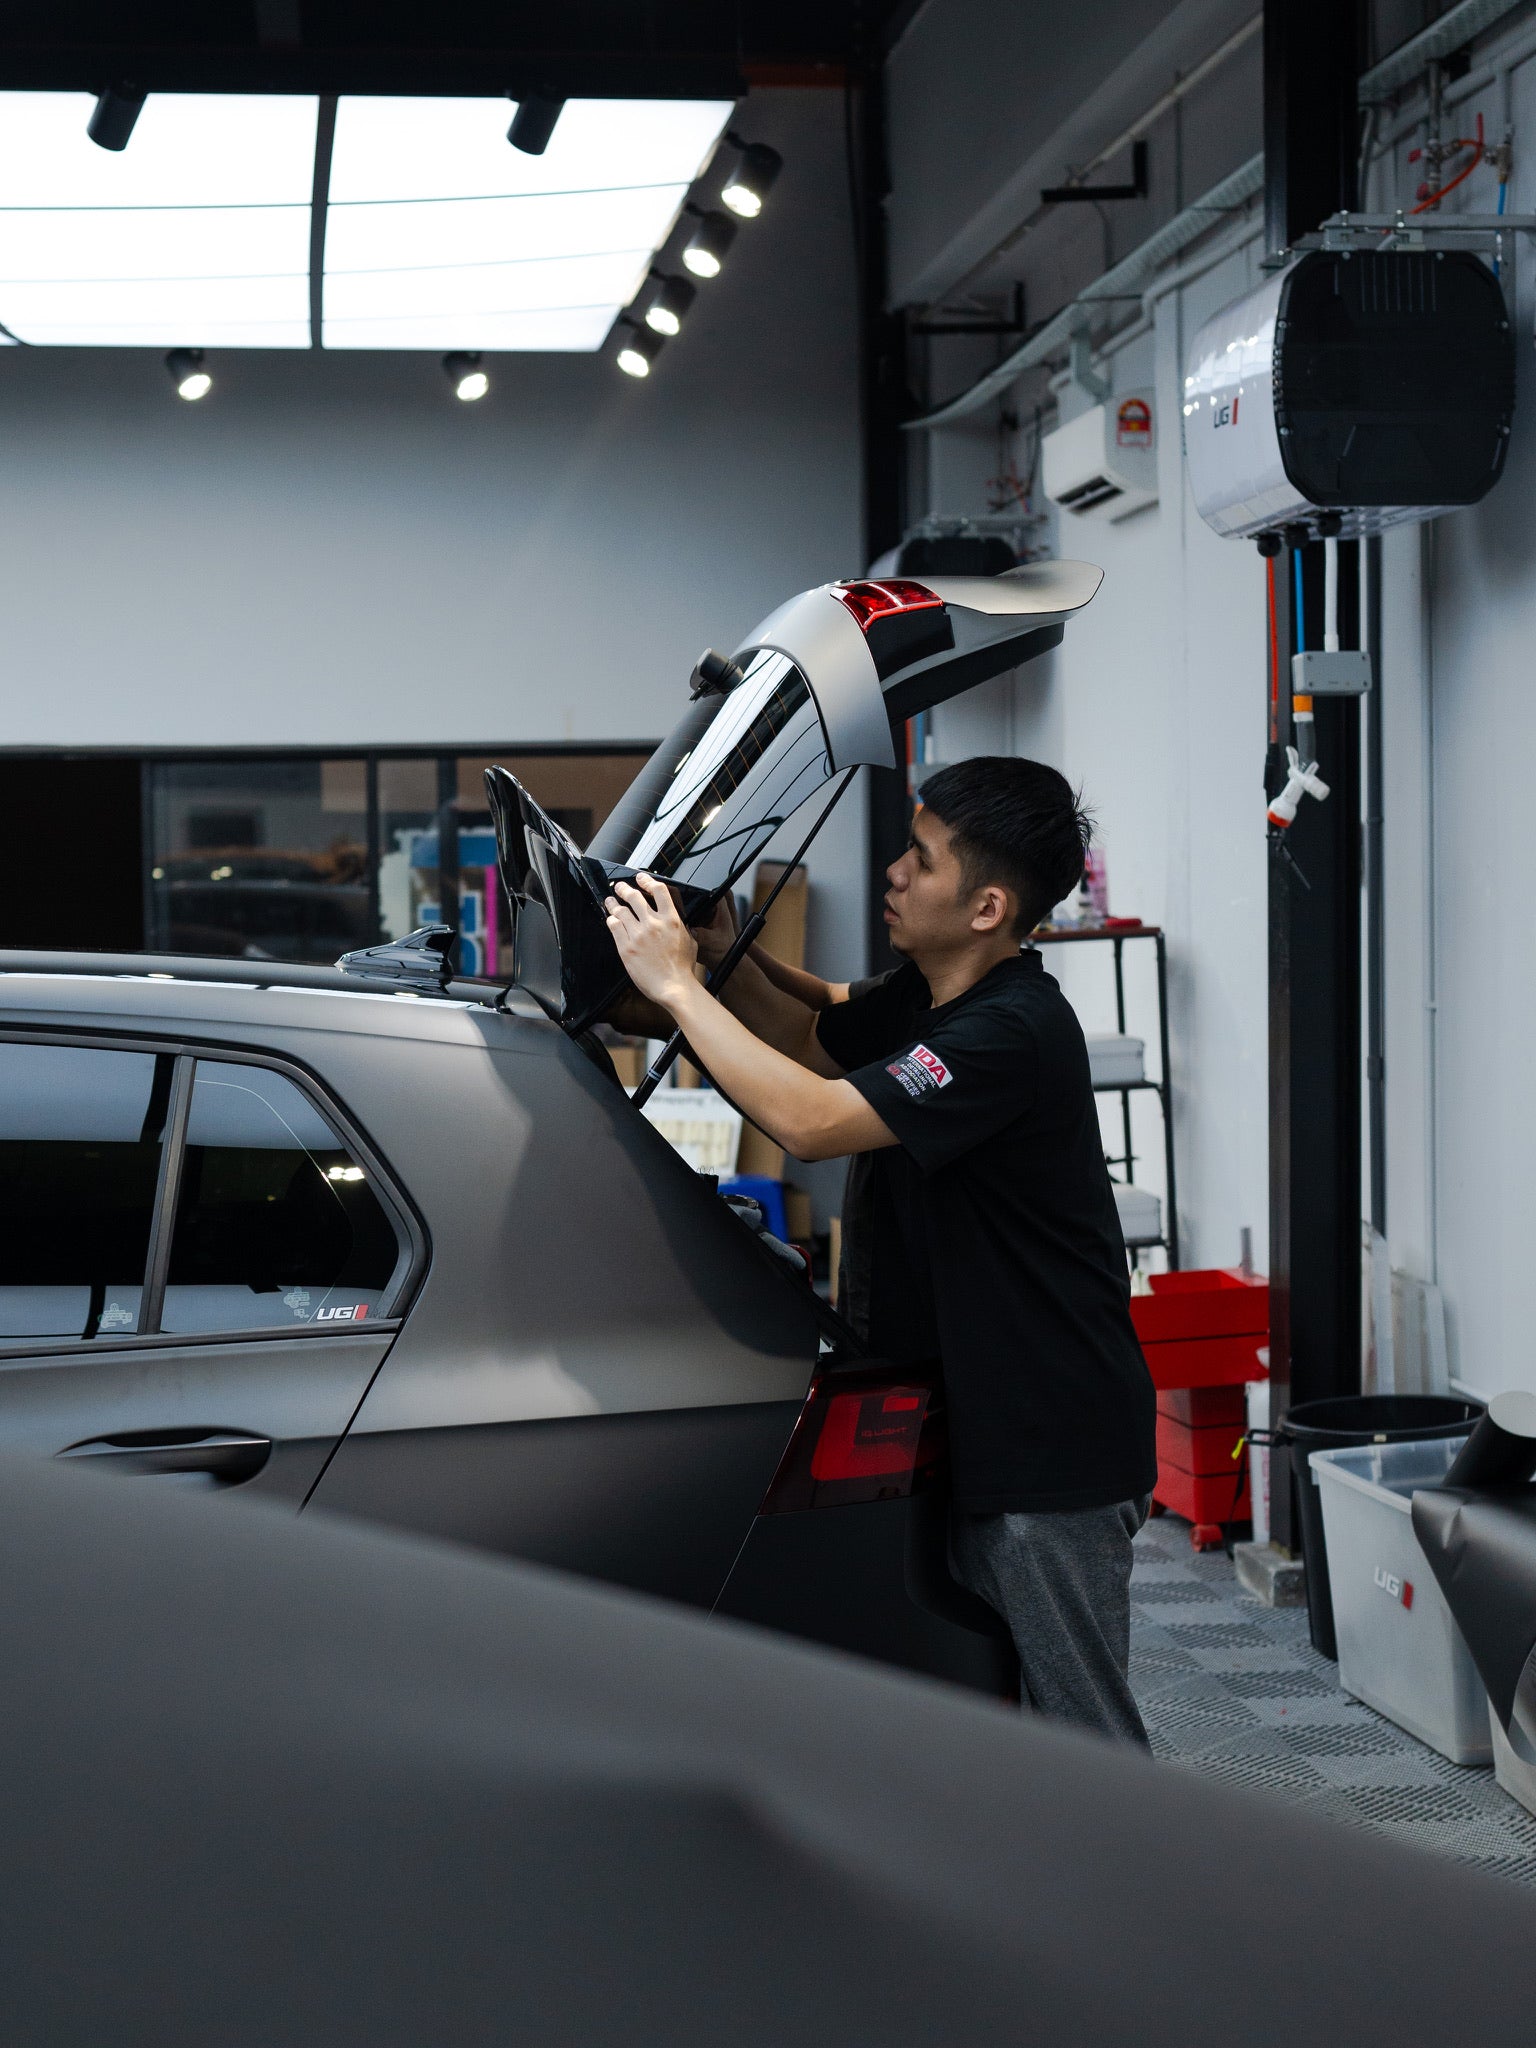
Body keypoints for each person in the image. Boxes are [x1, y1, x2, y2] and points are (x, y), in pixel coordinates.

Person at [604, 756, 1157, 1745]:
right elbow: (816, 1033)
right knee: (1001, 1721)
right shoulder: (930, 996)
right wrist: (727, 954)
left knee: (1087, 1741)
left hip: (1049, 1444)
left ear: (987, 905)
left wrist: (682, 990)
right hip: (981, 1425)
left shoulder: (1008, 1031)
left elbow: (810, 1118)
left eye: (920, 856)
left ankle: (1142, 1900)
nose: (896, 872)